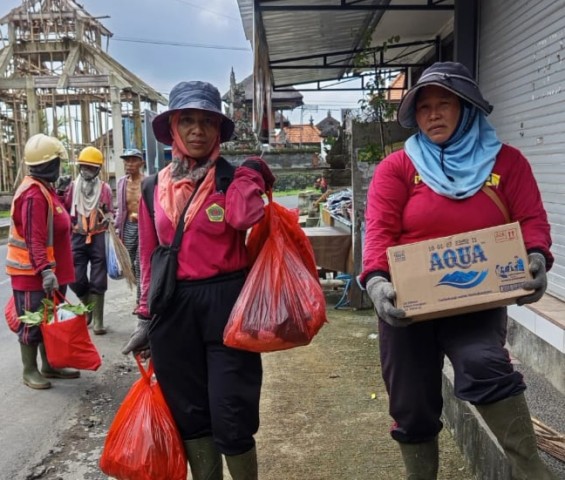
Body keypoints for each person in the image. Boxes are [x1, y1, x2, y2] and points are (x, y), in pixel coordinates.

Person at [360, 61, 556, 480]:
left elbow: (532, 222)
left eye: (443, 103)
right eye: (424, 106)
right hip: (406, 305)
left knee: (484, 363)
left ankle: (530, 471)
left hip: (477, 299)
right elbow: (378, 231)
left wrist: (536, 259)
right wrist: (377, 282)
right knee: (411, 404)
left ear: (466, 107)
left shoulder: (508, 163)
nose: (432, 114)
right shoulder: (398, 168)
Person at [121, 80, 275, 480]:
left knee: (233, 414)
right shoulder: (154, 187)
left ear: (218, 130)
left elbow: (244, 219)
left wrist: (252, 175)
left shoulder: (232, 178)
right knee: (189, 414)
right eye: (187, 120)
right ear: (173, 128)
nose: (197, 130)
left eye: (206, 121)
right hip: (172, 309)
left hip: (227, 305)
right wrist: (144, 318)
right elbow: (148, 257)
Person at [6, 133, 80, 390]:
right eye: (58, 162)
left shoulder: (45, 190)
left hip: (50, 270)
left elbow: (56, 223)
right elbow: (34, 239)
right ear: (50, 165)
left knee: (49, 319)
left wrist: (61, 193)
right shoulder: (33, 196)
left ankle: (50, 365)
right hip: (33, 273)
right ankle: (30, 370)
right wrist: (45, 271)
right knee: (33, 321)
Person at [60, 146, 114, 335]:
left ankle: (98, 320)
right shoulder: (71, 188)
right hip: (77, 237)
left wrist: (107, 216)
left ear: (98, 169)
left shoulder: (105, 189)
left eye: (91, 168)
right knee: (75, 277)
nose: (87, 171)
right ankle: (88, 307)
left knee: (99, 278)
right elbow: (62, 209)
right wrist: (59, 191)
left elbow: (110, 213)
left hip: (98, 236)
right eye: (84, 167)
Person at [115, 148, 145, 313]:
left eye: (133, 160)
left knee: (141, 264)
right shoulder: (121, 183)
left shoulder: (148, 182)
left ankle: (140, 300)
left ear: (141, 163)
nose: (129, 164)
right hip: (128, 226)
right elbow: (121, 208)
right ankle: (141, 288)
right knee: (128, 261)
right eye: (126, 160)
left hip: (144, 226)